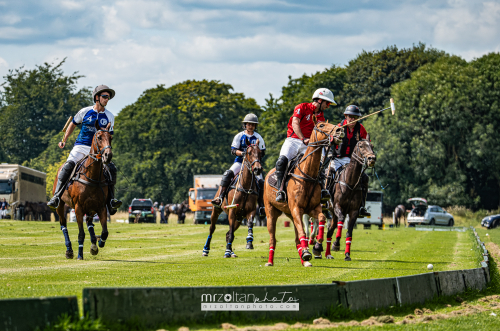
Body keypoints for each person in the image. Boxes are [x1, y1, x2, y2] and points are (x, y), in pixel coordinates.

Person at [47, 85, 122, 214]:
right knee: (67, 167)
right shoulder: (85, 111)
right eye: (104, 96)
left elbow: (108, 136)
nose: (107, 99)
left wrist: (107, 151)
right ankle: (56, 197)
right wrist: (64, 140)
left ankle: (111, 200)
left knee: (112, 169)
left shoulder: (109, 116)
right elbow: (73, 124)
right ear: (97, 98)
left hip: (98, 151)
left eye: (108, 97)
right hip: (81, 146)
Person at [275, 88, 336, 203]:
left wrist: (330, 138)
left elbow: (321, 133)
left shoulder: (321, 117)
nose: (328, 106)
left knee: (319, 164)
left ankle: (322, 190)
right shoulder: (302, 107)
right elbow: (295, 123)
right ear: (319, 100)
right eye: (327, 103)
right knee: (281, 161)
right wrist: (303, 138)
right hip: (293, 140)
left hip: (309, 144)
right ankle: (280, 190)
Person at [211, 113, 266, 217]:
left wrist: (255, 155)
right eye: (249, 124)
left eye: (253, 125)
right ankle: (220, 197)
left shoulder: (258, 137)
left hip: (253, 164)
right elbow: (233, 150)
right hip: (240, 162)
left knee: (261, 181)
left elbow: (263, 151)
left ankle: (262, 206)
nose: (251, 126)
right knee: (228, 174)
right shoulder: (239, 136)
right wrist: (243, 153)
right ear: (245, 125)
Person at [330, 105, 370, 217]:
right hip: (337, 159)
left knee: (364, 178)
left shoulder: (361, 129)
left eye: (355, 117)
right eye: (350, 116)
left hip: (352, 161)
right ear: (345, 116)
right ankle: (326, 200)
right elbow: (330, 140)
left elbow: (367, 143)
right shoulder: (338, 127)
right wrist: (334, 138)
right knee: (329, 175)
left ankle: (361, 206)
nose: (353, 119)